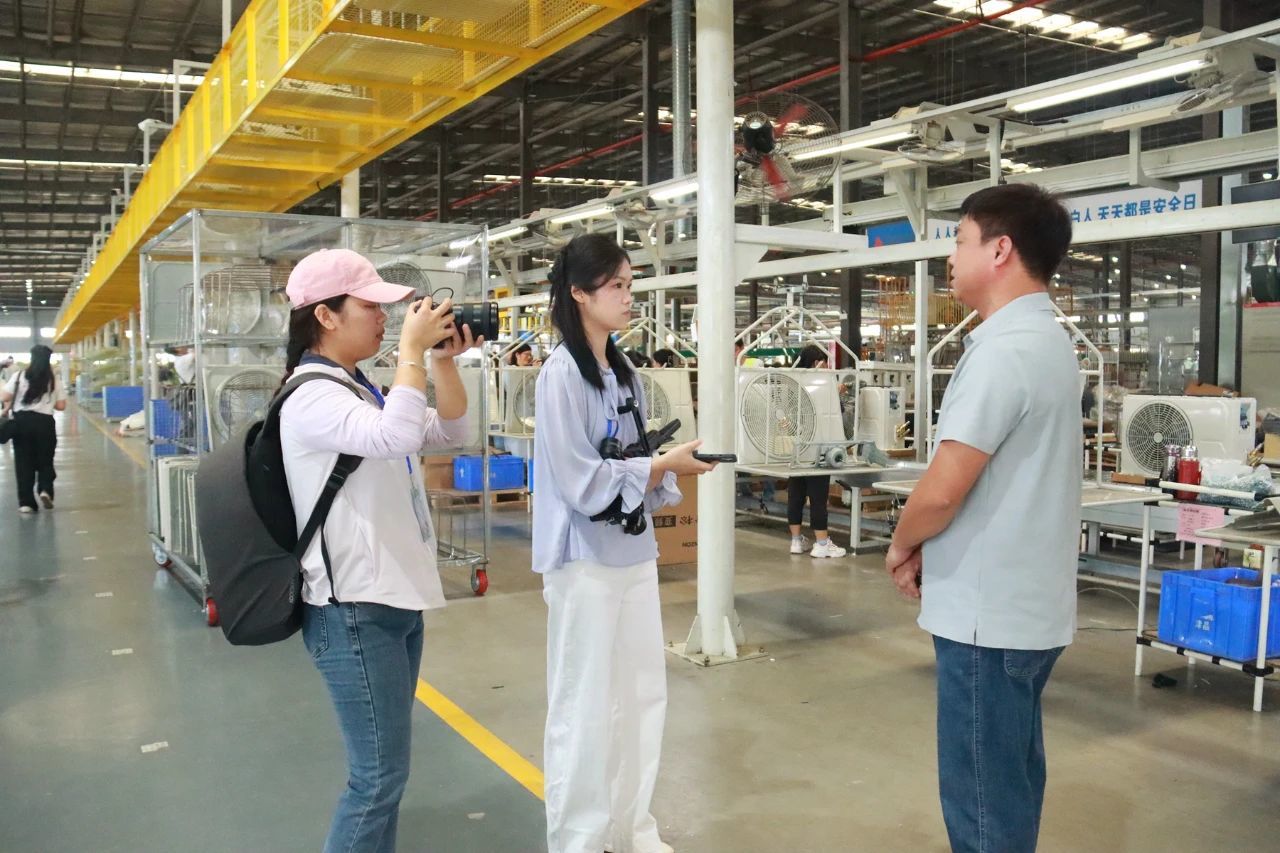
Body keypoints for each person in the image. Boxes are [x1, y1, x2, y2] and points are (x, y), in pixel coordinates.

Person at [884, 183, 1078, 853]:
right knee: (1010, 783)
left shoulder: (1003, 351)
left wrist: (901, 544)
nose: (951, 254)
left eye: (960, 239)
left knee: (983, 805)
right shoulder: (1047, 340)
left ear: (1000, 250)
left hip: (986, 620)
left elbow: (943, 491)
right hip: (1026, 607)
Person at [277, 248, 479, 853]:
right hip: (353, 611)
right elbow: (396, 437)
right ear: (326, 316)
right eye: (370, 306)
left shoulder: (356, 386)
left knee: (387, 778)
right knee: (376, 781)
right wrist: (411, 353)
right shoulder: (311, 395)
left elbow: (451, 431)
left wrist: (440, 361)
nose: (385, 318)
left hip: (391, 599)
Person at [532, 233, 716, 853]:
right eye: (617, 286)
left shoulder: (626, 373)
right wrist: (658, 467)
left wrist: (661, 468)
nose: (629, 297)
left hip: (633, 554)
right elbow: (579, 480)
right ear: (579, 294)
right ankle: (578, 841)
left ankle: (632, 830)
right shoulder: (561, 376)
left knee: (641, 696)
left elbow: (633, 459)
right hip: (583, 560)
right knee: (583, 704)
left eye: (631, 285)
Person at [784, 345, 846, 558]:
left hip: (798, 448)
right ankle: (821, 544)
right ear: (816, 363)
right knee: (818, 498)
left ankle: (796, 541)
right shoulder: (822, 385)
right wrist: (835, 393)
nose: (828, 367)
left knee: (796, 496)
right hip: (819, 448)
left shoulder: (793, 385)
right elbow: (834, 413)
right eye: (825, 363)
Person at [2, 345, 67, 513]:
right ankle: (45, 490)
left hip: (22, 423)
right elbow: (61, 406)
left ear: (32, 358)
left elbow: (4, 396)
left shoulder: (19, 376)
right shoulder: (54, 380)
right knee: (45, 459)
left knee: (23, 462)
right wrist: (47, 401)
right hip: (44, 424)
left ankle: (26, 503)